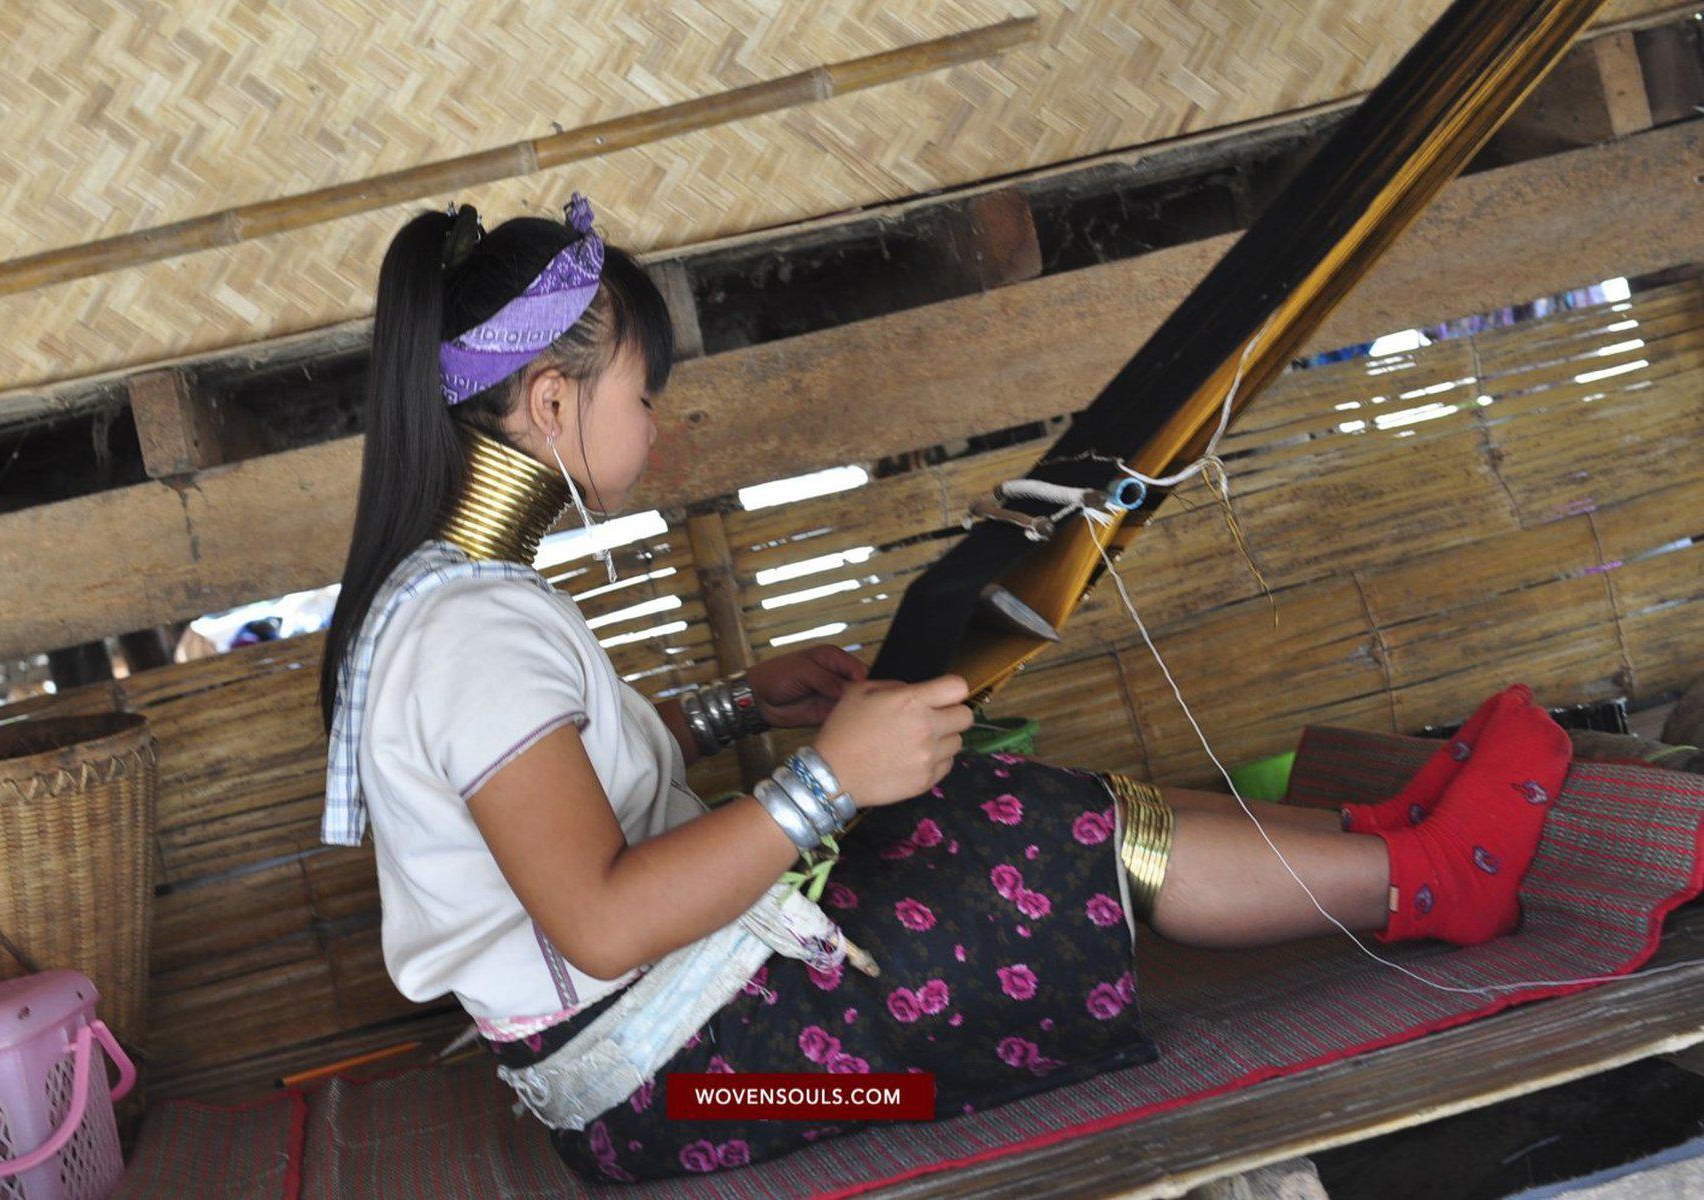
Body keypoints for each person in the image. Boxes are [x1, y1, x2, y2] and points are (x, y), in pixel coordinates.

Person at [316, 193, 1575, 1184]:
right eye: (645, 399)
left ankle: (1389, 850)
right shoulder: (467, 630)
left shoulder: (457, 607)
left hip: (683, 1059)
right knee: (1013, 838)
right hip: (686, 1092)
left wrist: (740, 707)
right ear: (548, 404)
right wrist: (822, 784)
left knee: (969, 813)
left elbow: (565, 809)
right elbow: (592, 921)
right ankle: (1431, 882)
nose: (661, 429)